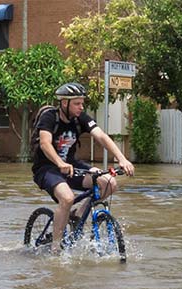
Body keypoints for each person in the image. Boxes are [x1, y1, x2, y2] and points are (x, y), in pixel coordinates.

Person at [31, 82, 135, 252]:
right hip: (47, 168)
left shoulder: (81, 119)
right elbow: (45, 144)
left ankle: (78, 215)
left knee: (109, 183)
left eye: (82, 103)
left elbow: (101, 136)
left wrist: (122, 159)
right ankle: (56, 249)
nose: (81, 107)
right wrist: (60, 163)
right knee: (67, 198)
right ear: (65, 103)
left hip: (71, 166)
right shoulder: (49, 117)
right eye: (77, 103)